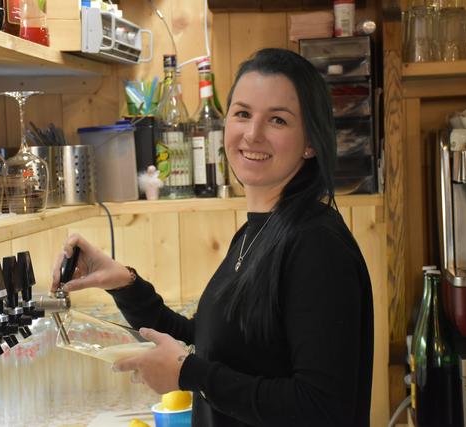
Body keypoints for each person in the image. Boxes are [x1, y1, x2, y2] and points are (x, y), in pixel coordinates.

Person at [51, 48, 374, 427]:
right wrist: (124, 283)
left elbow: (321, 408)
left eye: (278, 120)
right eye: (242, 114)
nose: (252, 134)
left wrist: (190, 375)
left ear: (311, 142)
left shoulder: (316, 246)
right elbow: (207, 345)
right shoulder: (259, 232)